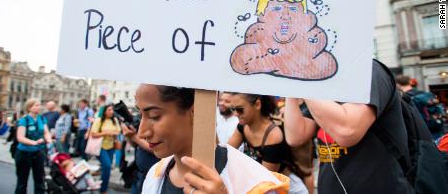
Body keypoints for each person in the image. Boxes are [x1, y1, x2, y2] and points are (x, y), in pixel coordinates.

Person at [284, 60, 414, 193]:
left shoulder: (369, 71)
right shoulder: (327, 83)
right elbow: (295, 136)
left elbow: (347, 132)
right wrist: (291, 87)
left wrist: (302, 78)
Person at [138, 85, 289, 194]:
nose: (141, 132)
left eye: (154, 116)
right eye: (140, 116)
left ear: (195, 112)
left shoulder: (255, 184)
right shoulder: (155, 175)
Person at [227, 93, 308, 194]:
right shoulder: (243, 126)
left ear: (257, 104)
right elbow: (227, 153)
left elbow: (264, 182)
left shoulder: (273, 135)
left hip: (287, 189)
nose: (235, 114)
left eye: (239, 109)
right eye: (232, 109)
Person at [15, 99, 52, 194]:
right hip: (24, 153)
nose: (39, 107)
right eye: (36, 105)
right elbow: (20, 138)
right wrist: (34, 142)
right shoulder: (24, 120)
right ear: (29, 108)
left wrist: (49, 140)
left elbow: (46, 132)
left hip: (39, 152)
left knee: (40, 180)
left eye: (39, 105)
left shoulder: (42, 118)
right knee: (22, 182)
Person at [122, 116, 160, 194]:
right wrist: (130, 137)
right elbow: (136, 145)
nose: (141, 133)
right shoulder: (139, 120)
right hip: (138, 173)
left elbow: (157, 149)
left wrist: (135, 137)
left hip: (152, 175)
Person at [90, 104, 121, 194]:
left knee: (107, 167)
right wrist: (105, 133)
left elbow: (118, 131)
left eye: (112, 110)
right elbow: (93, 134)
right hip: (100, 147)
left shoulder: (115, 120)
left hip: (111, 146)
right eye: (109, 110)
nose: (111, 111)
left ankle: (102, 183)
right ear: (104, 111)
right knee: (107, 166)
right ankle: (103, 190)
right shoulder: (99, 120)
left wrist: (113, 133)